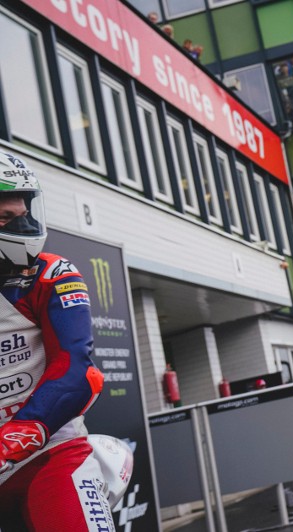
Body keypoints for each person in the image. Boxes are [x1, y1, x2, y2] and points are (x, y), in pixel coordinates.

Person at [0, 153, 114, 530]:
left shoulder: (51, 272)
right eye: (5, 215)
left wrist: (21, 432)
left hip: (49, 454)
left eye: (22, 209)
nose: (20, 215)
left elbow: (76, 371)